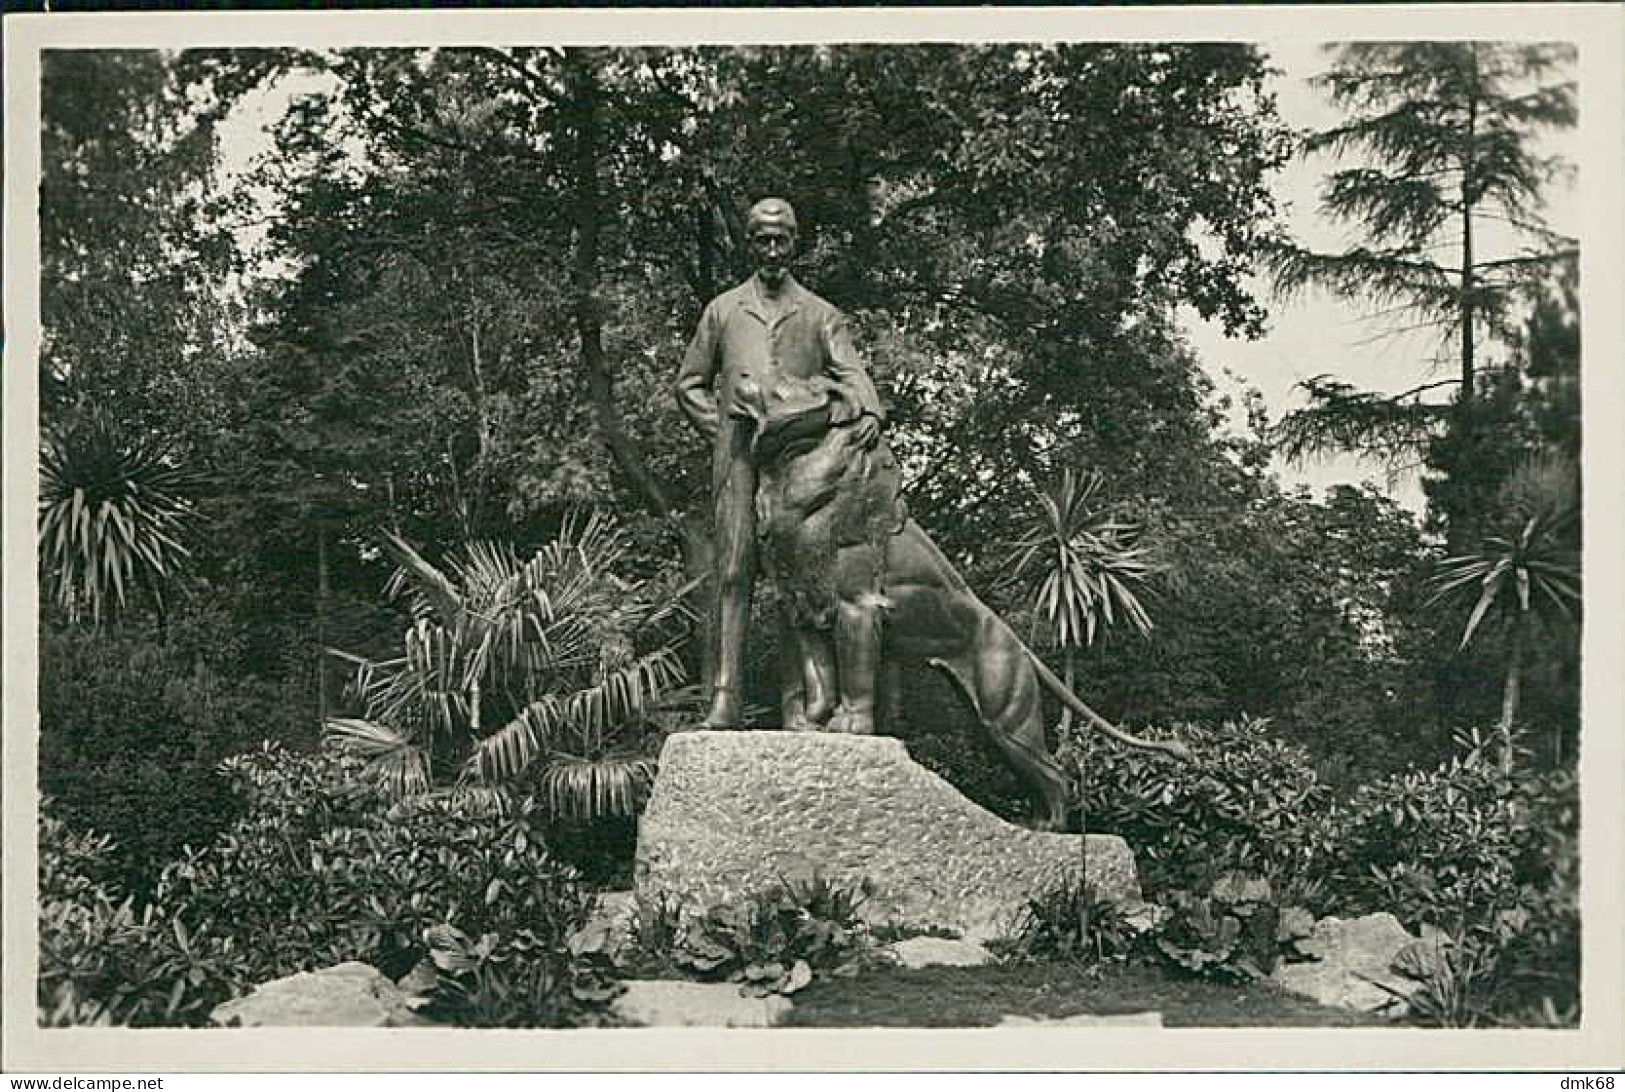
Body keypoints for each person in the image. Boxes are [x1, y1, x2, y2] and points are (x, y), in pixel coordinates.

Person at [674, 196, 885, 728]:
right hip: (739, 461)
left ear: (794, 243)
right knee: (733, 573)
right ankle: (725, 697)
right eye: (763, 239)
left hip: (797, 467)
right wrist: (724, 430)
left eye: (781, 239)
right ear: (750, 244)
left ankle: (801, 706)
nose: (772, 249)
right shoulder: (723, 310)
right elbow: (689, 385)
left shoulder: (819, 314)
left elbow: (854, 376)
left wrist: (870, 412)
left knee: (800, 578)